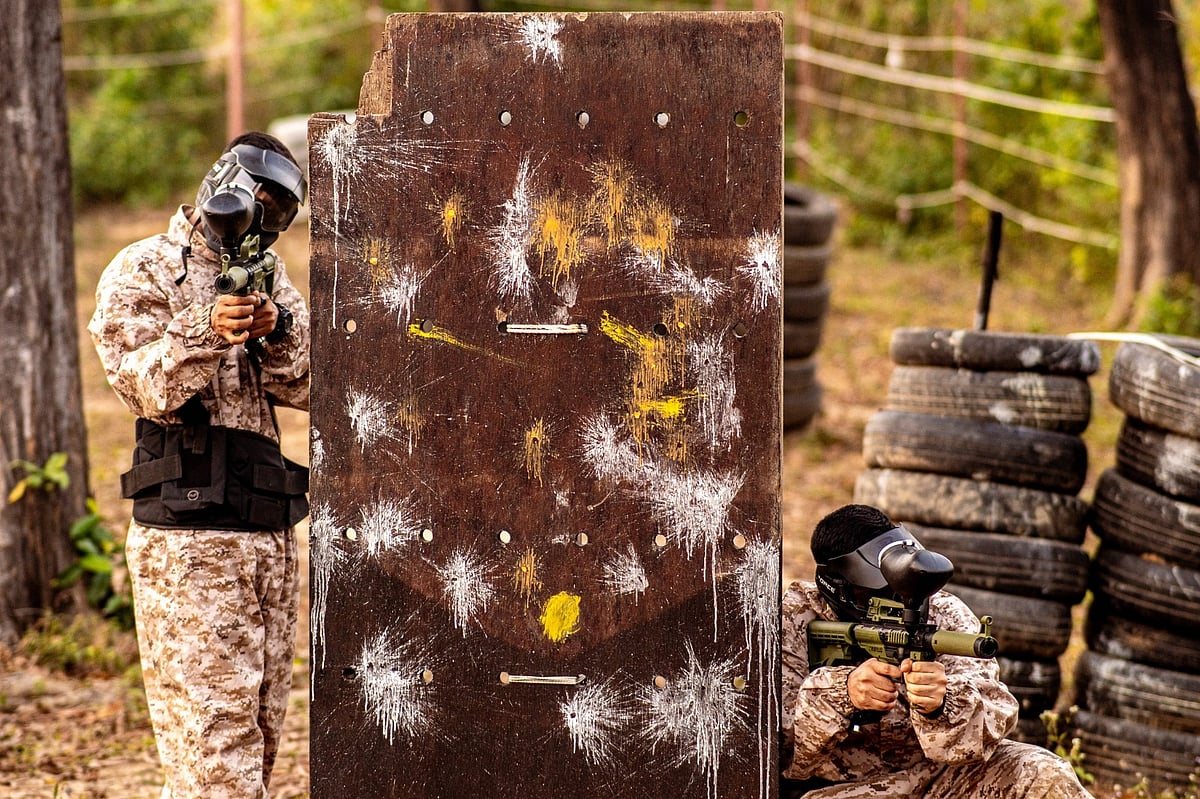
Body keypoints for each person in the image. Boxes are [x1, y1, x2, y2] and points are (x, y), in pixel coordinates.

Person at [89, 130, 311, 798]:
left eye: (279, 211)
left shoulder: (270, 277)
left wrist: (276, 329)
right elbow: (145, 388)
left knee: (257, 751)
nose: (264, 219)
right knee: (216, 762)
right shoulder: (142, 268)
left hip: (266, 535)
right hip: (189, 546)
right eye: (259, 201)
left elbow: (315, 385)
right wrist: (208, 328)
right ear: (226, 183)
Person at [781, 504, 1091, 798]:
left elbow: (993, 717)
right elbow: (780, 751)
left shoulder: (944, 613)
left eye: (898, 588)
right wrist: (841, 692)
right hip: (838, 790)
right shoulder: (794, 618)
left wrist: (941, 706)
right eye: (874, 592)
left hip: (934, 780)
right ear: (836, 587)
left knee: (1042, 774)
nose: (895, 600)